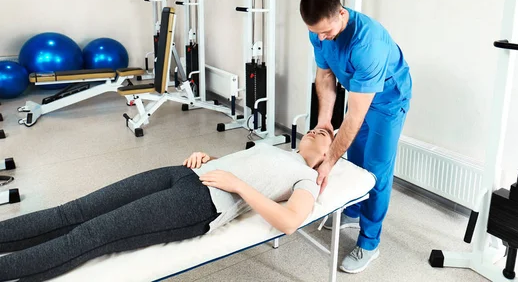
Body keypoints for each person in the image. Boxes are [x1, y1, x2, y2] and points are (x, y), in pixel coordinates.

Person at [0, 129, 333, 282]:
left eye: (327, 134)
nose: (320, 128)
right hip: (183, 174)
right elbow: (245, 168)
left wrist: (239, 186)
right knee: (72, 212)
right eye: (317, 126)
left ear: (326, 157)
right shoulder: (276, 149)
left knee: (91, 234)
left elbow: (289, 222)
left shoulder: (305, 178)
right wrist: (211, 158)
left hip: (199, 203)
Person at [300, 0, 412, 274]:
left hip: (388, 100)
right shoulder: (319, 30)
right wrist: (324, 121)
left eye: (326, 32)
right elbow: (324, 75)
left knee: (375, 169)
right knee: (357, 158)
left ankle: (370, 242)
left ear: (341, 13)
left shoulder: (367, 43)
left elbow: (356, 115)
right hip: (360, 94)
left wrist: (329, 161)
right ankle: (355, 208)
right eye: (316, 33)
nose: (321, 38)